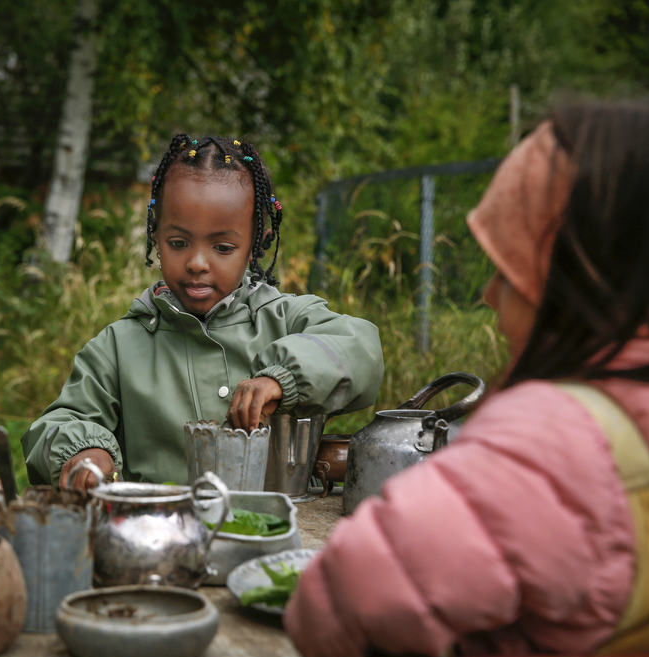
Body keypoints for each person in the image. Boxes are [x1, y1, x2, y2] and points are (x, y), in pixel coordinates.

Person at [284, 100, 649, 657]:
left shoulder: (555, 442)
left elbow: (343, 602)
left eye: (506, 270)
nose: (486, 294)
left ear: (568, 280)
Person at [21, 134, 384, 490]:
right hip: (159, 539)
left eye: (223, 247)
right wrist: (83, 452)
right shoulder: (118, 348)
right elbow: (56, 424)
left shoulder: (286, 320)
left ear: (255, 244)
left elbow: (361, 350)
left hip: (277, 541)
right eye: (178, 243)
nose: (196, 263)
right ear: (156, 235)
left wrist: (282, 379)